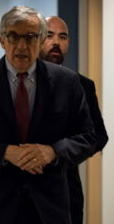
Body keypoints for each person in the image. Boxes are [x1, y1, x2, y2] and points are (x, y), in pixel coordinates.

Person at [0, 6, 97, 224]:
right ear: (2, 40)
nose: (21, 46)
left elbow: (88, 137)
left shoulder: (67, 82)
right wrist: (4, 152)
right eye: (13, 36)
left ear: (41, 39)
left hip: (49, 208)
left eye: (30, 37)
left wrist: (53, 152)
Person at [39, 16, 108, 224]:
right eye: (49, 35)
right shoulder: (16, 81)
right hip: (15, 194)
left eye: (63, 37)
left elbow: (98, 136)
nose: (56, 43)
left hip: (65, 191)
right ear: (37, 39)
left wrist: (57, 152)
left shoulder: (82, 85)